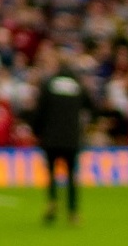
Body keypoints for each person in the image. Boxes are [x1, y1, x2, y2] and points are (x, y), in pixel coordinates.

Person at [33, 44, 91, 225]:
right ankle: (73, 212)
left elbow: (40, 111)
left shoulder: (49, 84)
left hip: (51, 137)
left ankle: (52, 201)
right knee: (72, 176)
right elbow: (91, 106)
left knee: (51, 173)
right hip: (71, 138)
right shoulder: (78, 85)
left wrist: (37, 131)